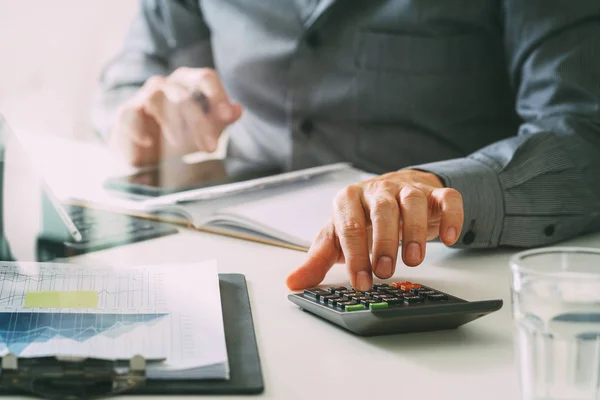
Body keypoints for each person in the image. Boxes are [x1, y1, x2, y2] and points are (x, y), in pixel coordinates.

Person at [92, 1, 600, 292]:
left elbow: (583, 131)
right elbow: (133, 75)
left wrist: (442, 186)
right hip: (226, 261)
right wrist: (137, 120)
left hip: (442, 278)